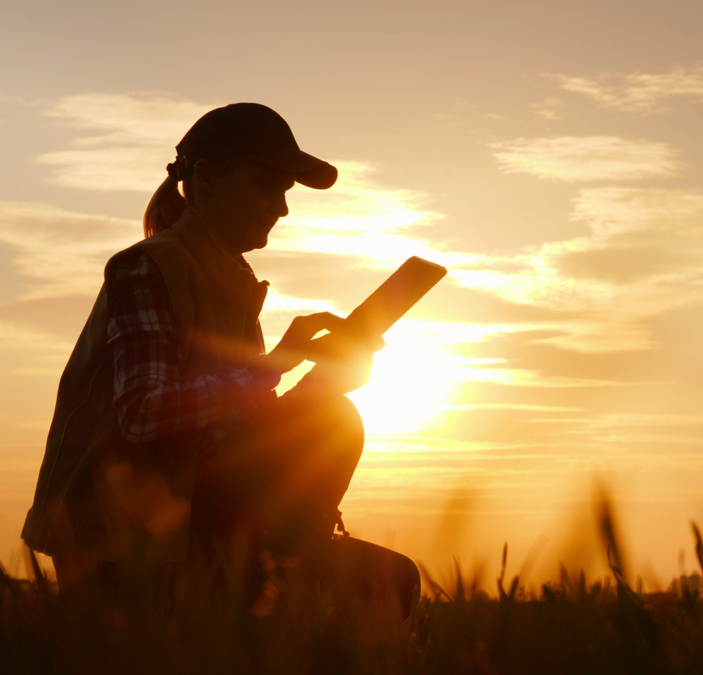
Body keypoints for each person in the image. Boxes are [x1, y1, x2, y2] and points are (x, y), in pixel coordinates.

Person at [21, 103, 419, 616]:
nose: (282, 208)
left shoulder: (233, 282)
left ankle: (279, 568)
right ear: (206, 179)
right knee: (336, 441)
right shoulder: (145, 268)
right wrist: (277, 364)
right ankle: (265, 588)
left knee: (391, 576)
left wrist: (322, 384)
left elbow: (238, 428)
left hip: (201, 522)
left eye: (286, 192)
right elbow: (144, 415)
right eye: (265, 185)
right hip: (126, 549)